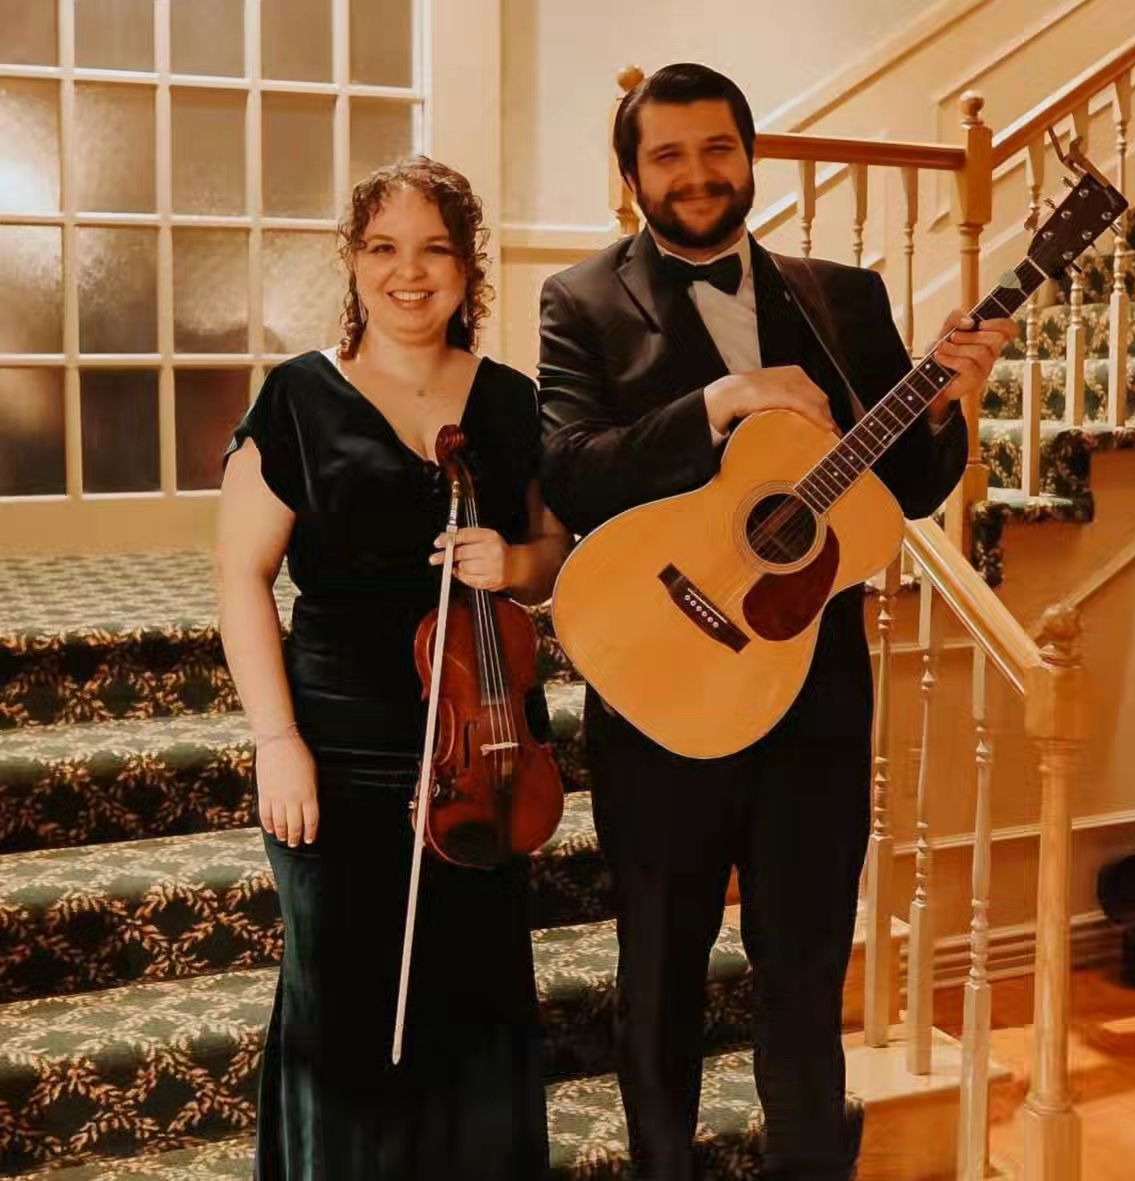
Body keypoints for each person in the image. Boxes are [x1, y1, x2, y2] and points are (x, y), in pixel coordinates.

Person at [537, 64, 1017, 1181]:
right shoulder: (581, 301)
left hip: (812, 703)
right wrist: (722, 402)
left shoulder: (839, 294)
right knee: (657, 972)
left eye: (715, 149)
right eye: (666, 154)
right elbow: (568, 472)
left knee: (801, 978)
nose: (695, 174)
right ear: (630, 177)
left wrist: (947, 408)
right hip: (660, 690)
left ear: (748, 158)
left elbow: (894, 490)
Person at [215, 156, 570, 1180]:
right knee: (347, 1029)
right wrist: (276, 743)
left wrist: (516, 561)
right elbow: (241, 579)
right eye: (382, 248)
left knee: (475, 1019)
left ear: (467, 269)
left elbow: (555, 556)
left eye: (433, 250)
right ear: (352, 261)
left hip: (486, 755)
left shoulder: (508, 403)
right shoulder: (297, 398)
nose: (407, 273)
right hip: (336, 750)